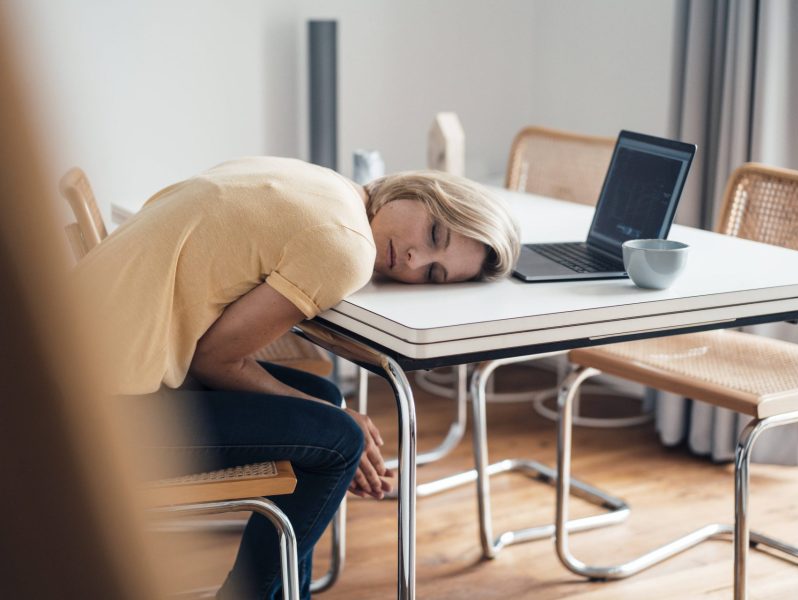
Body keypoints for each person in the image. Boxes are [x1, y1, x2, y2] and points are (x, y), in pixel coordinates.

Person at [75, 156, 520, 599]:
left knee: (327, 401)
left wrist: (330, 410)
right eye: (434, 234)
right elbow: (216, 361)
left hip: (71, 365)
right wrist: (338, 421)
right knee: (339, 438)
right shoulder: (347, 247)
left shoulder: (323, 184)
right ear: (420, 194)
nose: (413, 259)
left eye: (432, 273)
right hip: (93, 415)